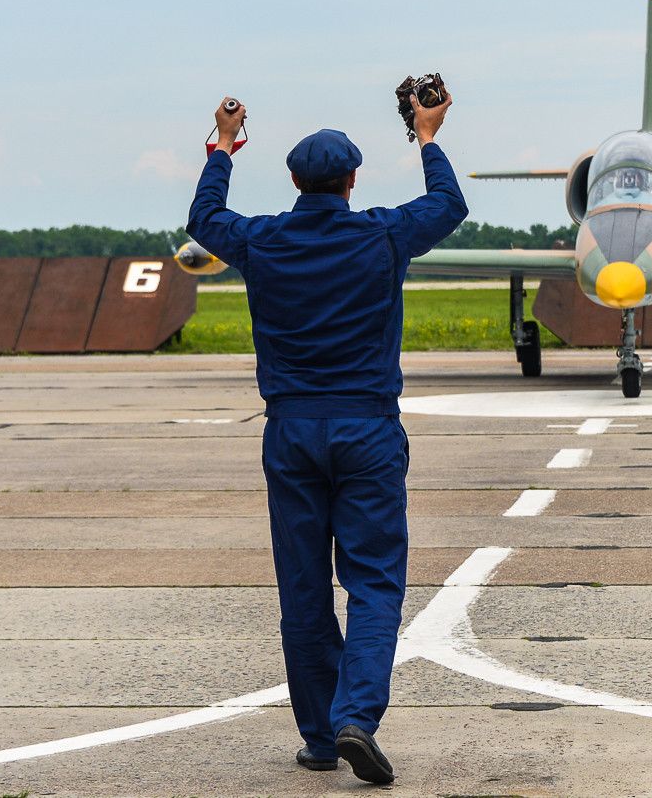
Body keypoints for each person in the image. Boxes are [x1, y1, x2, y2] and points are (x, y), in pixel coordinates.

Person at [187, 92, 467, 784]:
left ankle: (318, 735)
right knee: (373, 582)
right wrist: (426, 135)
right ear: (351, 181)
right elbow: (448, 204)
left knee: (304, 588)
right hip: (367, 428)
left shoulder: (263, 241)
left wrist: (222, 148)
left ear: (292, 182)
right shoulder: (382, 235)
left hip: (291, 432)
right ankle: (356, 717)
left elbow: (203, 220)